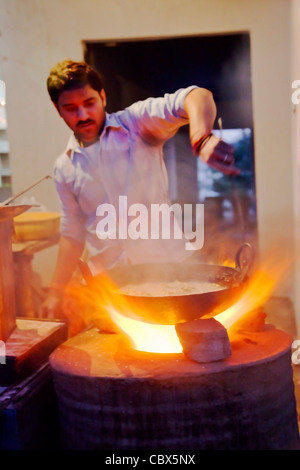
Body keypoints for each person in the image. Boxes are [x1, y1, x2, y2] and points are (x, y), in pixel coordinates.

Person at [39, 59, 237, 319]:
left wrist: (202, 138)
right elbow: (72, 232)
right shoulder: (64, 167)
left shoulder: (136, 124)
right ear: (57, 109)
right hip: (109, 293)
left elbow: (196, 95)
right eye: (71, 108)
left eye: (89, 103)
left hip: (172, 276)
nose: (83, 115)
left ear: (103, 96)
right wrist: (56, 290)